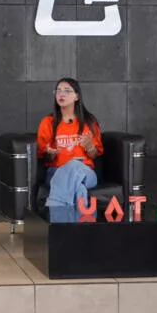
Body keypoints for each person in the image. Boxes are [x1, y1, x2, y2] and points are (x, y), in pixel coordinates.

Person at [36, 78, 103, 223]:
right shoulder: (48, 122)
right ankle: (81, 229)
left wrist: (90, 146)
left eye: (67, 91)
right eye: (58, 91)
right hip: (56, 172)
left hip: (86, 173)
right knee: (79, 189)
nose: (62, 94)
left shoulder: (89, 122)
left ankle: (58, 222)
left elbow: (94, 155)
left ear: (76, 96)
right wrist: (49, 153)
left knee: (74, 165)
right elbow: (44, 157)